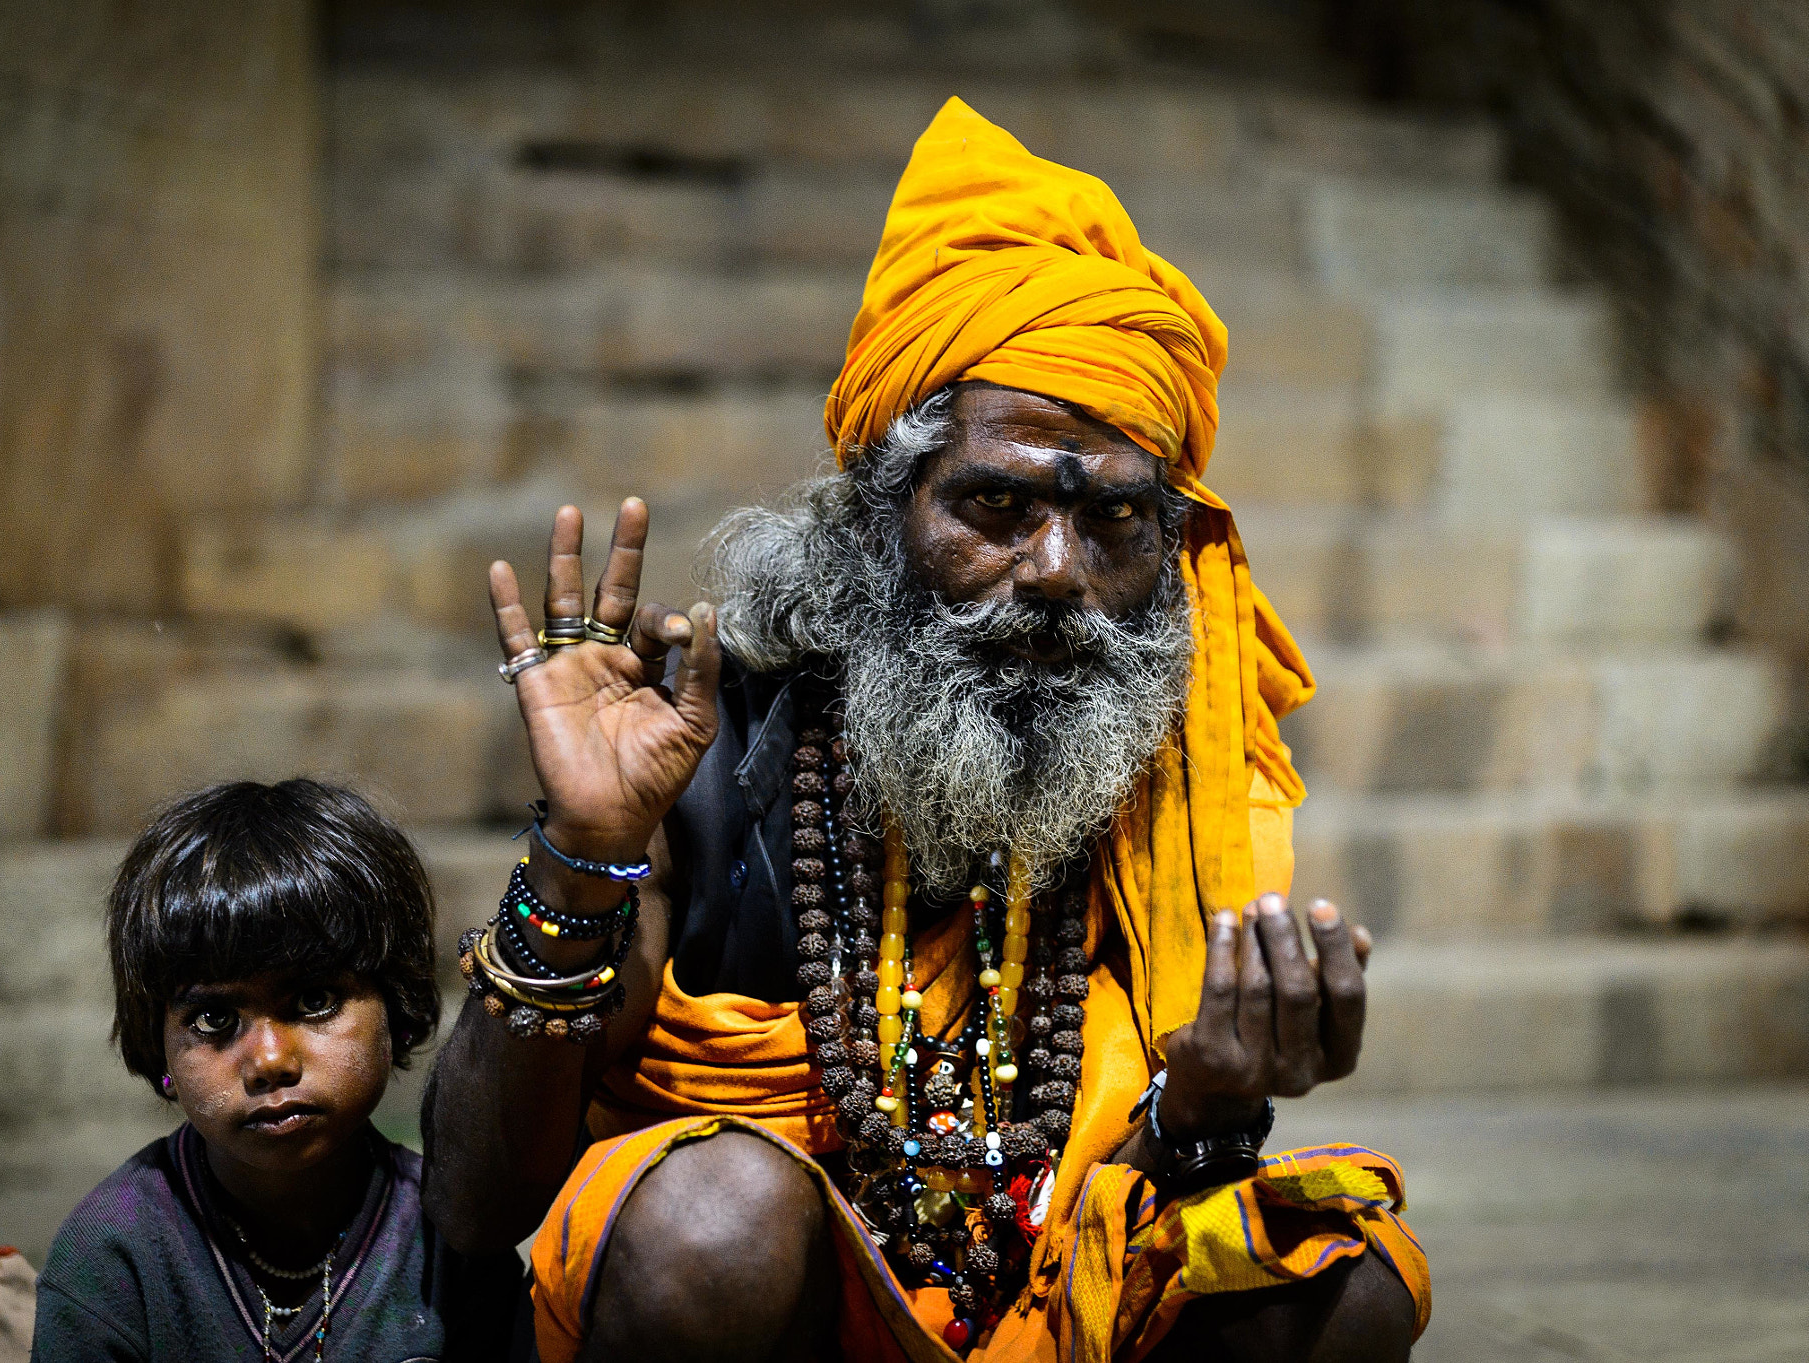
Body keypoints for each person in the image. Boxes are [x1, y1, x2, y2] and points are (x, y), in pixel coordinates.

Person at [426, 99, 1431, 1362]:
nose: (1058, 570)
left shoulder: (1158, 779)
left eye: (1114, 521)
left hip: (1045, 1315)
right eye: (996, 503)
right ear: (874, 512)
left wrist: (1211, 1103)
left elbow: (1137, 1202)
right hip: (773, 1312)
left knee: (1346, 1285)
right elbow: (471, 1209)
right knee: (712, 1219)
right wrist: (580, 844)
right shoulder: (701, 754)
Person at [33, 779, 516, 1362]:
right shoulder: (114, 1255)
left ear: (397, 1008)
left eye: (315, 1001)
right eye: (214, 1018)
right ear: (159, 1049)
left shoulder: (452, 1237)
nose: (269, 1061)